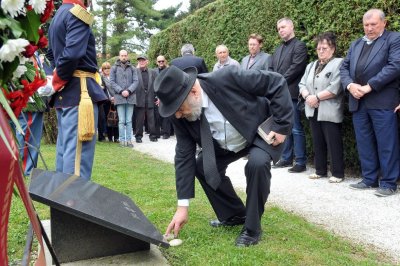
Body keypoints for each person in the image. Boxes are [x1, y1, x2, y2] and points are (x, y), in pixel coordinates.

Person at [154, 66, 293, 246]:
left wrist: (281, 125)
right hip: (224, 145)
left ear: (194, 92)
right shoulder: (179, 116)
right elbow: (183, 156)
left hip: (258, 133)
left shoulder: (227, 77)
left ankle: (252, 230)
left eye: (179, 108)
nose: (178, 115)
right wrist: (182, 206)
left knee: (257, 164)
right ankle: (235, 214)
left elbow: (276, 82)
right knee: (203, 166)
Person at [339, 9, 400, 197]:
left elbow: (395, 66)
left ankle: (389, 182)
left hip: (382, 100)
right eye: (366, 25)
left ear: (384, 23)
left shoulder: (393, 39)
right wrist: (349, 85)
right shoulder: (356, 43)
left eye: (373, 24)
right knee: (364, 142)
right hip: (358, 101)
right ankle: (369, 179)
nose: (369, 28)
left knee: (386, 143)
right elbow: (344, 67)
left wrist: (368, 87)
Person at [47, 0, 108, 180]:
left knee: (65, 153)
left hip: (66, 94)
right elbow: (73, 53)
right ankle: (71, 206)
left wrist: (55, 79)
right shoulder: (77, 13)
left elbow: (51, 55)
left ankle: (61, 205)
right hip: (80, 93)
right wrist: (58, 80)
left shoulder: (57, 16)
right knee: (77, 163)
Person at [299, 32, 345, 183]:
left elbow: (335, 87)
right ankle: (320, 170)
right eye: (319, 48)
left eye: (324, 48)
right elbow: (302, 84)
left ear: (332, 49)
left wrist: (316, 97)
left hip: (329, 109)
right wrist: (308, 97)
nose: (321, 50)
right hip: (313, 109)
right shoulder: (311, 65)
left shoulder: (339, 63)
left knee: (333, 142)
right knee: (317, 141)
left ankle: (337, 173)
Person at [269, 18, 308, 173]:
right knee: (283, 128)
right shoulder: (278, 49)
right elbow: (271, 68)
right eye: (279, 28)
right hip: (279, 95)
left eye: (283, 27)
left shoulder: (300, 46)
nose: (281, 30)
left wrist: (279, 82)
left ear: (292, 26)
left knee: (296, 128)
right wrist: (273, 84)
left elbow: (296, 67)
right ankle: (285, 158)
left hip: (292, 93)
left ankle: (300, 161)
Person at [110, 50, 139, 147]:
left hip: (130, 97)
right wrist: (121, 91)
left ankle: (129, 140)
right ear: (119, 56)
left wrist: (129, 91)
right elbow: (112, 82)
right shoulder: (114, 68)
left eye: (125, 55)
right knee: (122, 120)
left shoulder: (133, 68)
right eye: (122, 55)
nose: (123, 57)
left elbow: (136, 81)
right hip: (119, 97)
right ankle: (122, 140)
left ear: (127, 56)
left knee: (129, 120)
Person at [134, 55, 158, 143]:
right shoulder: (135, 71)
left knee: (151, 119)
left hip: (150, 97)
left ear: (147, 61)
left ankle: (153, 136)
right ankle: (138, 137)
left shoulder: (153, 72)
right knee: (139, 119)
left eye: (143, 60)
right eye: (140, 61)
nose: (141, 62)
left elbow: (156, 85)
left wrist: (157, 97)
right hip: (139, 98)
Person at [155, 55, 173, 139]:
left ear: (165, 61)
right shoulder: (154, 71)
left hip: (167, 95)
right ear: (156, 62)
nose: (161, 62)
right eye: (159, 61)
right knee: (158, 115)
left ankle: (167, 133)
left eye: (162, 61)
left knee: (166, 115)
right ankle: (161, 131)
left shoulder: (169, 70)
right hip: (157, 95)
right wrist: (157, 97)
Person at [100, 61, 119, 142]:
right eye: (105, 68)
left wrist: (115, 97)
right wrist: (109, 98)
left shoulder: (114, 77)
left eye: (108, 68)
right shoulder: (101, 78)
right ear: (103, 69)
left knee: (116, 118)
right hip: (107, 101)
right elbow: (103, 89)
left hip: (116, 99)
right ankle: (110, 137)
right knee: (108, 119)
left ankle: (117, 137)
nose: (107, 70)